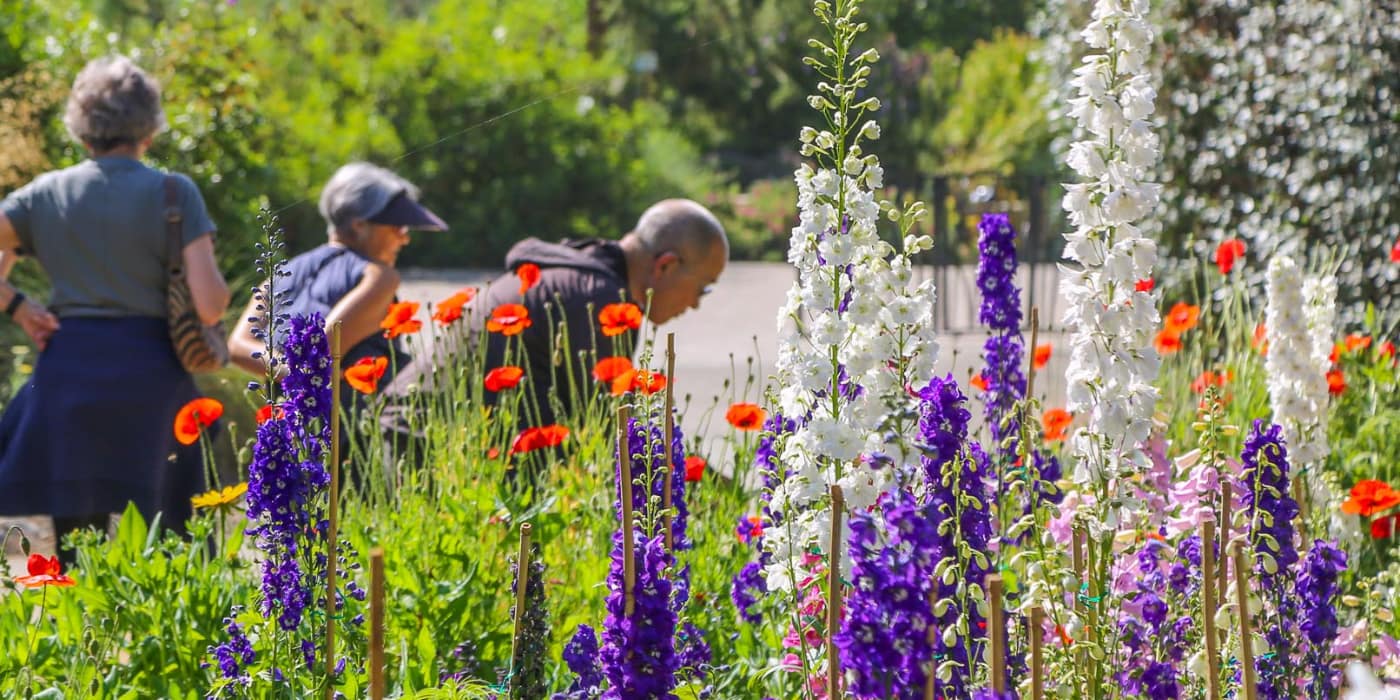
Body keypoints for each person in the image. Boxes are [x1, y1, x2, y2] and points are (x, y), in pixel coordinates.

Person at [0, 55, 231, 565]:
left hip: (67, 374)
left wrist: (18, 306)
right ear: (149, 126)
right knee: (170, 535)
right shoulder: (175, 193)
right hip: (152, 378)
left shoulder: (44, 193)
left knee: (75, 545)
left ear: (80, 126)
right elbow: (210, 306)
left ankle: (81, 618)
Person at [384, 198, 727, 434]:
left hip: (418, 430)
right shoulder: (599, 300)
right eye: (703, 288)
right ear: (666, 266)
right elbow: (605, 432)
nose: (696, 304)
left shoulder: (584, 278)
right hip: (417, 445)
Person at [227, 162, 447, 408]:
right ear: (359, 225)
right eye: (397, 226)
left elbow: (237, 346)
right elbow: (320, 352)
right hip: (346, 423)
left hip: (284, 419)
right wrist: (307, 373)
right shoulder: (379, 276)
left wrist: (291, 374)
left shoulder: (280, 272)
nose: (404, 238)